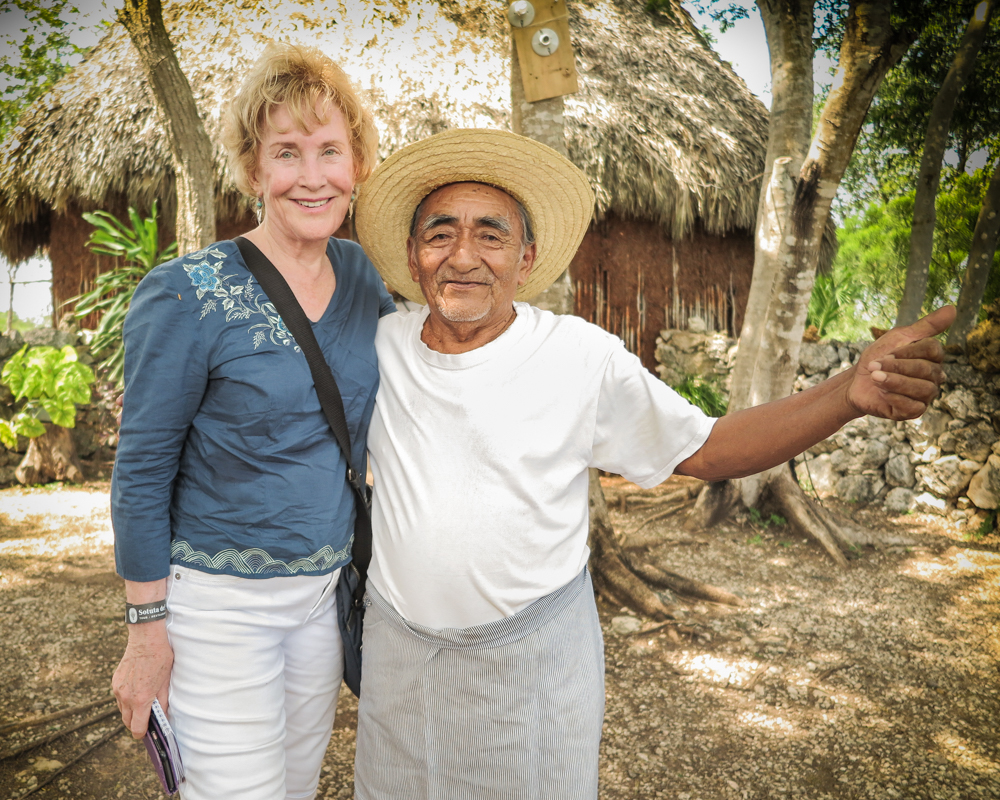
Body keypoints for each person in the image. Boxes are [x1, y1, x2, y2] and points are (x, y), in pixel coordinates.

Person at [351, 128, 953, 799]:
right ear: (412, 253)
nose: (463, 255)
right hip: (400, 659)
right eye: (440, 233)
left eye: (489, 235)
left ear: (525, 258)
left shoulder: (578, 357)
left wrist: (848, 393)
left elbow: (707, 448)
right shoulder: (376, 348)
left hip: (529, 664)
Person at [110, 44, 394, 800]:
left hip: (324, 603)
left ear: (357, 163)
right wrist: (146, 635)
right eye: (287, 153)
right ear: (252, 167)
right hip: (217, 612)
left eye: (330, 150)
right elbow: (140, 470)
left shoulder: (365, 275)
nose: (311, 175)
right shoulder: (185, 294)